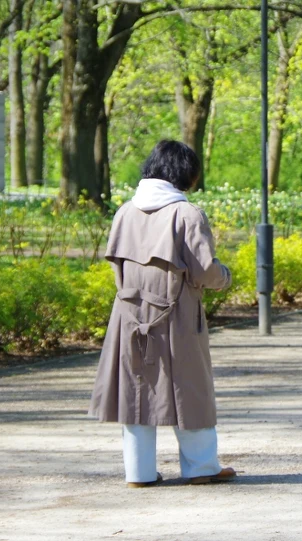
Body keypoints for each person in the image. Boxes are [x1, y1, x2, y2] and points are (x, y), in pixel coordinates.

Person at [89, 140, 236, 488]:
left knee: (136, 388)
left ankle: (138, 473)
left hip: (129, 314)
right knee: (190, 387)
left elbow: (117, 266)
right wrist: (226, 275)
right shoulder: (187, 214)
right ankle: (201, 466)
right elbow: (203, 272)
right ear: (186, 173)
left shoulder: (125, 211)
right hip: (176, 314)